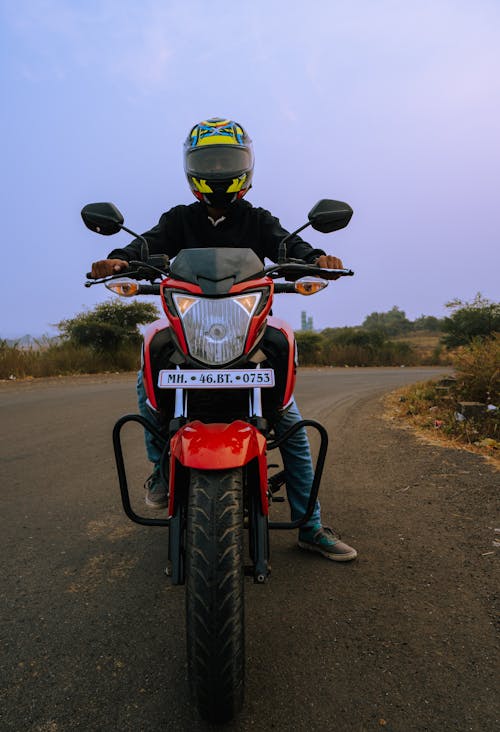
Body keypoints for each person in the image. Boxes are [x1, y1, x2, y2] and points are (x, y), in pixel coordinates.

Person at [90, 117, 357, 562]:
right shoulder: (180, 220)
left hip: (248, 331)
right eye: (208, 161)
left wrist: (316, 261)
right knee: (150, 364)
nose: (217, 170)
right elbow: (144, 247)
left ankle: (310, 526)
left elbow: (289, 247)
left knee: (288, 420)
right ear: (191, 167)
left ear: (246, 166)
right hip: (191, 329)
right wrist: (117, 261)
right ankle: (161, 469)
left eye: (226, 161)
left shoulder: (257, 219)